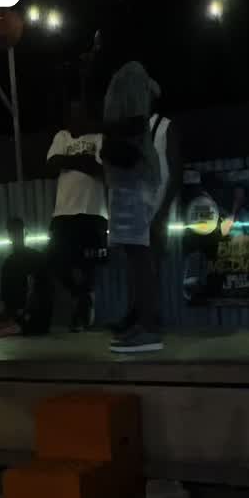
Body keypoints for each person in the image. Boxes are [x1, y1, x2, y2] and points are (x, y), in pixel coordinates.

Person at [102, 62, 181, 353]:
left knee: (141, 258)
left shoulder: (139, 118)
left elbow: (133, 132)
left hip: (137, 189)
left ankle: (148, 327)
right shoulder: (134, 117)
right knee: (137, 259)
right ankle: (142, 323)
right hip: (134, 188)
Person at [47, 99, 108, 331]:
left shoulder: (99, 138)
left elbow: (101, 169)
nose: (77, 118)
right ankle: (82, 296)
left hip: (93, 212)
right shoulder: (62, 137)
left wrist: (70, 162)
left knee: (88, 263)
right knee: (55, 260)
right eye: (73, 114)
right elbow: (52, 164)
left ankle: (82, 314)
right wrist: (82, 161)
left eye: (81, 113)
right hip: (63, 213)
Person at [0, 218, 52, 337]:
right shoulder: (34, 258)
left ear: (9, 235)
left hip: (28, 320)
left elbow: (33, 295)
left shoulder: (12, 263)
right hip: (31, 318)